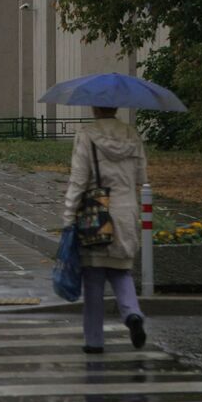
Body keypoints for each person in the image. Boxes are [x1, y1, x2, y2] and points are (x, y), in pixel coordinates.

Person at [63, 106, 148, 354]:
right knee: (122, 272)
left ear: (94, 108)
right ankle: (132, 313)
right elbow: (141, 177)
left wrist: (69, 215)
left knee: (93, 279)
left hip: (96, 214)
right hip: (126, 212)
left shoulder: (87, 135)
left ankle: (94, 341)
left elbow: (78, 180)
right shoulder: (132, 134)